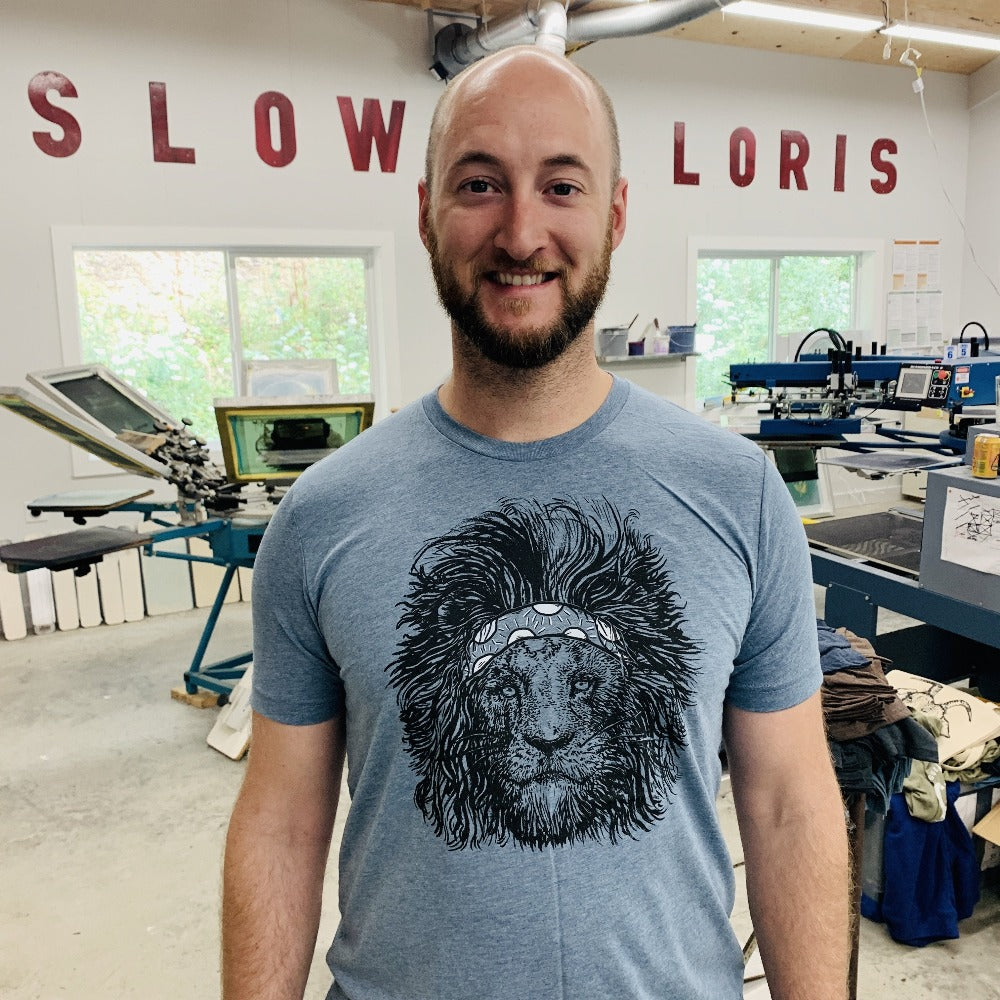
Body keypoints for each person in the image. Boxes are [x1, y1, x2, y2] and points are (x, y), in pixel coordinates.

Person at [222, 44, 849, 1000]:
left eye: (562, 185)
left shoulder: (740, 495)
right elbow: (281, 822)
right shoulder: (321, 517)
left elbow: (788, 806)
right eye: (479, 183)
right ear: (425, 212)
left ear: (616, 213)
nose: (521, 233)